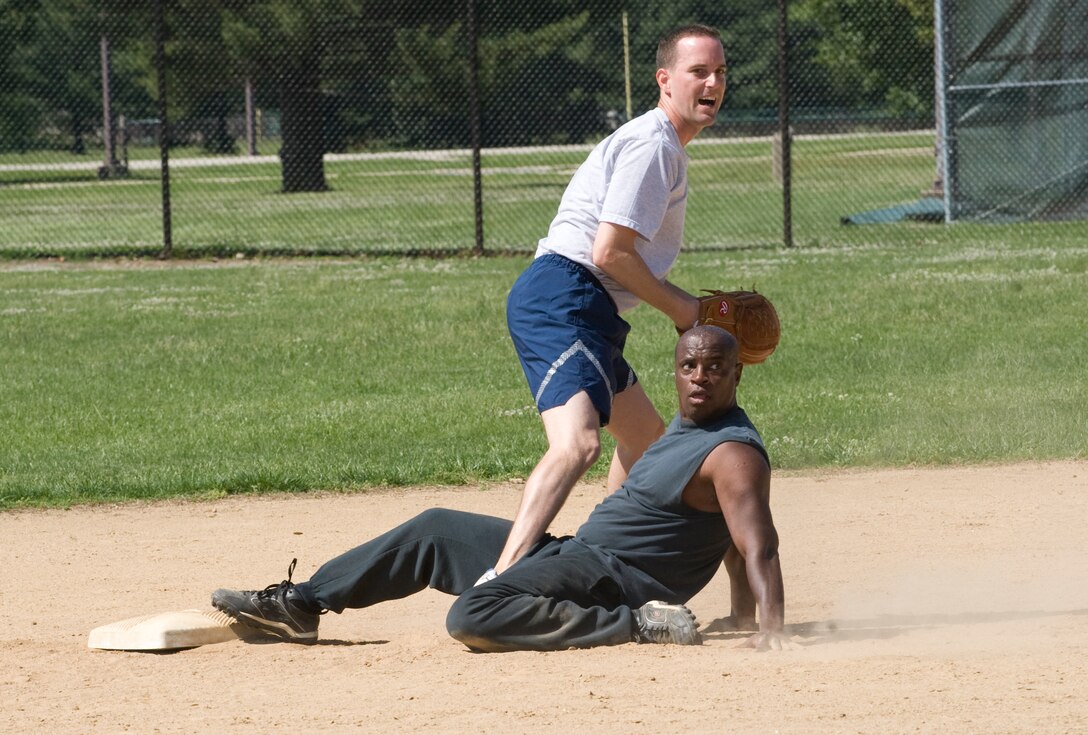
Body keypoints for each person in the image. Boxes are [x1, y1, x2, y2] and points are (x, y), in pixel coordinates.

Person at [211, 326, 791, 652]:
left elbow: (755, 542)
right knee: (435, 529)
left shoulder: (733, 453)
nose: (700, 377)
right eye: (690, 366)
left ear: (738, 374)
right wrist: (738, 613)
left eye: (715, 367)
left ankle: (640, 626)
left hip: (615, 582)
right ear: (676, 369)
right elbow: (727, 539)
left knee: (474, 614)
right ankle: (303, 605)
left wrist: (768, 628)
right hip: (578, 557)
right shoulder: (686, 431)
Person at [496, 24, 728, 580]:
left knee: (647, 442)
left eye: (720, 72)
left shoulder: (665, 146)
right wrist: (686, 311)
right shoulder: (654, 146)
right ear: (664, 79)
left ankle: (602, 559)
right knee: (577, 445)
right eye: (699, 71)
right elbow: (611, 253)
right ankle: (500, 582)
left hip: (585, 304)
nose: (713, 82)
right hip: (565, 294)